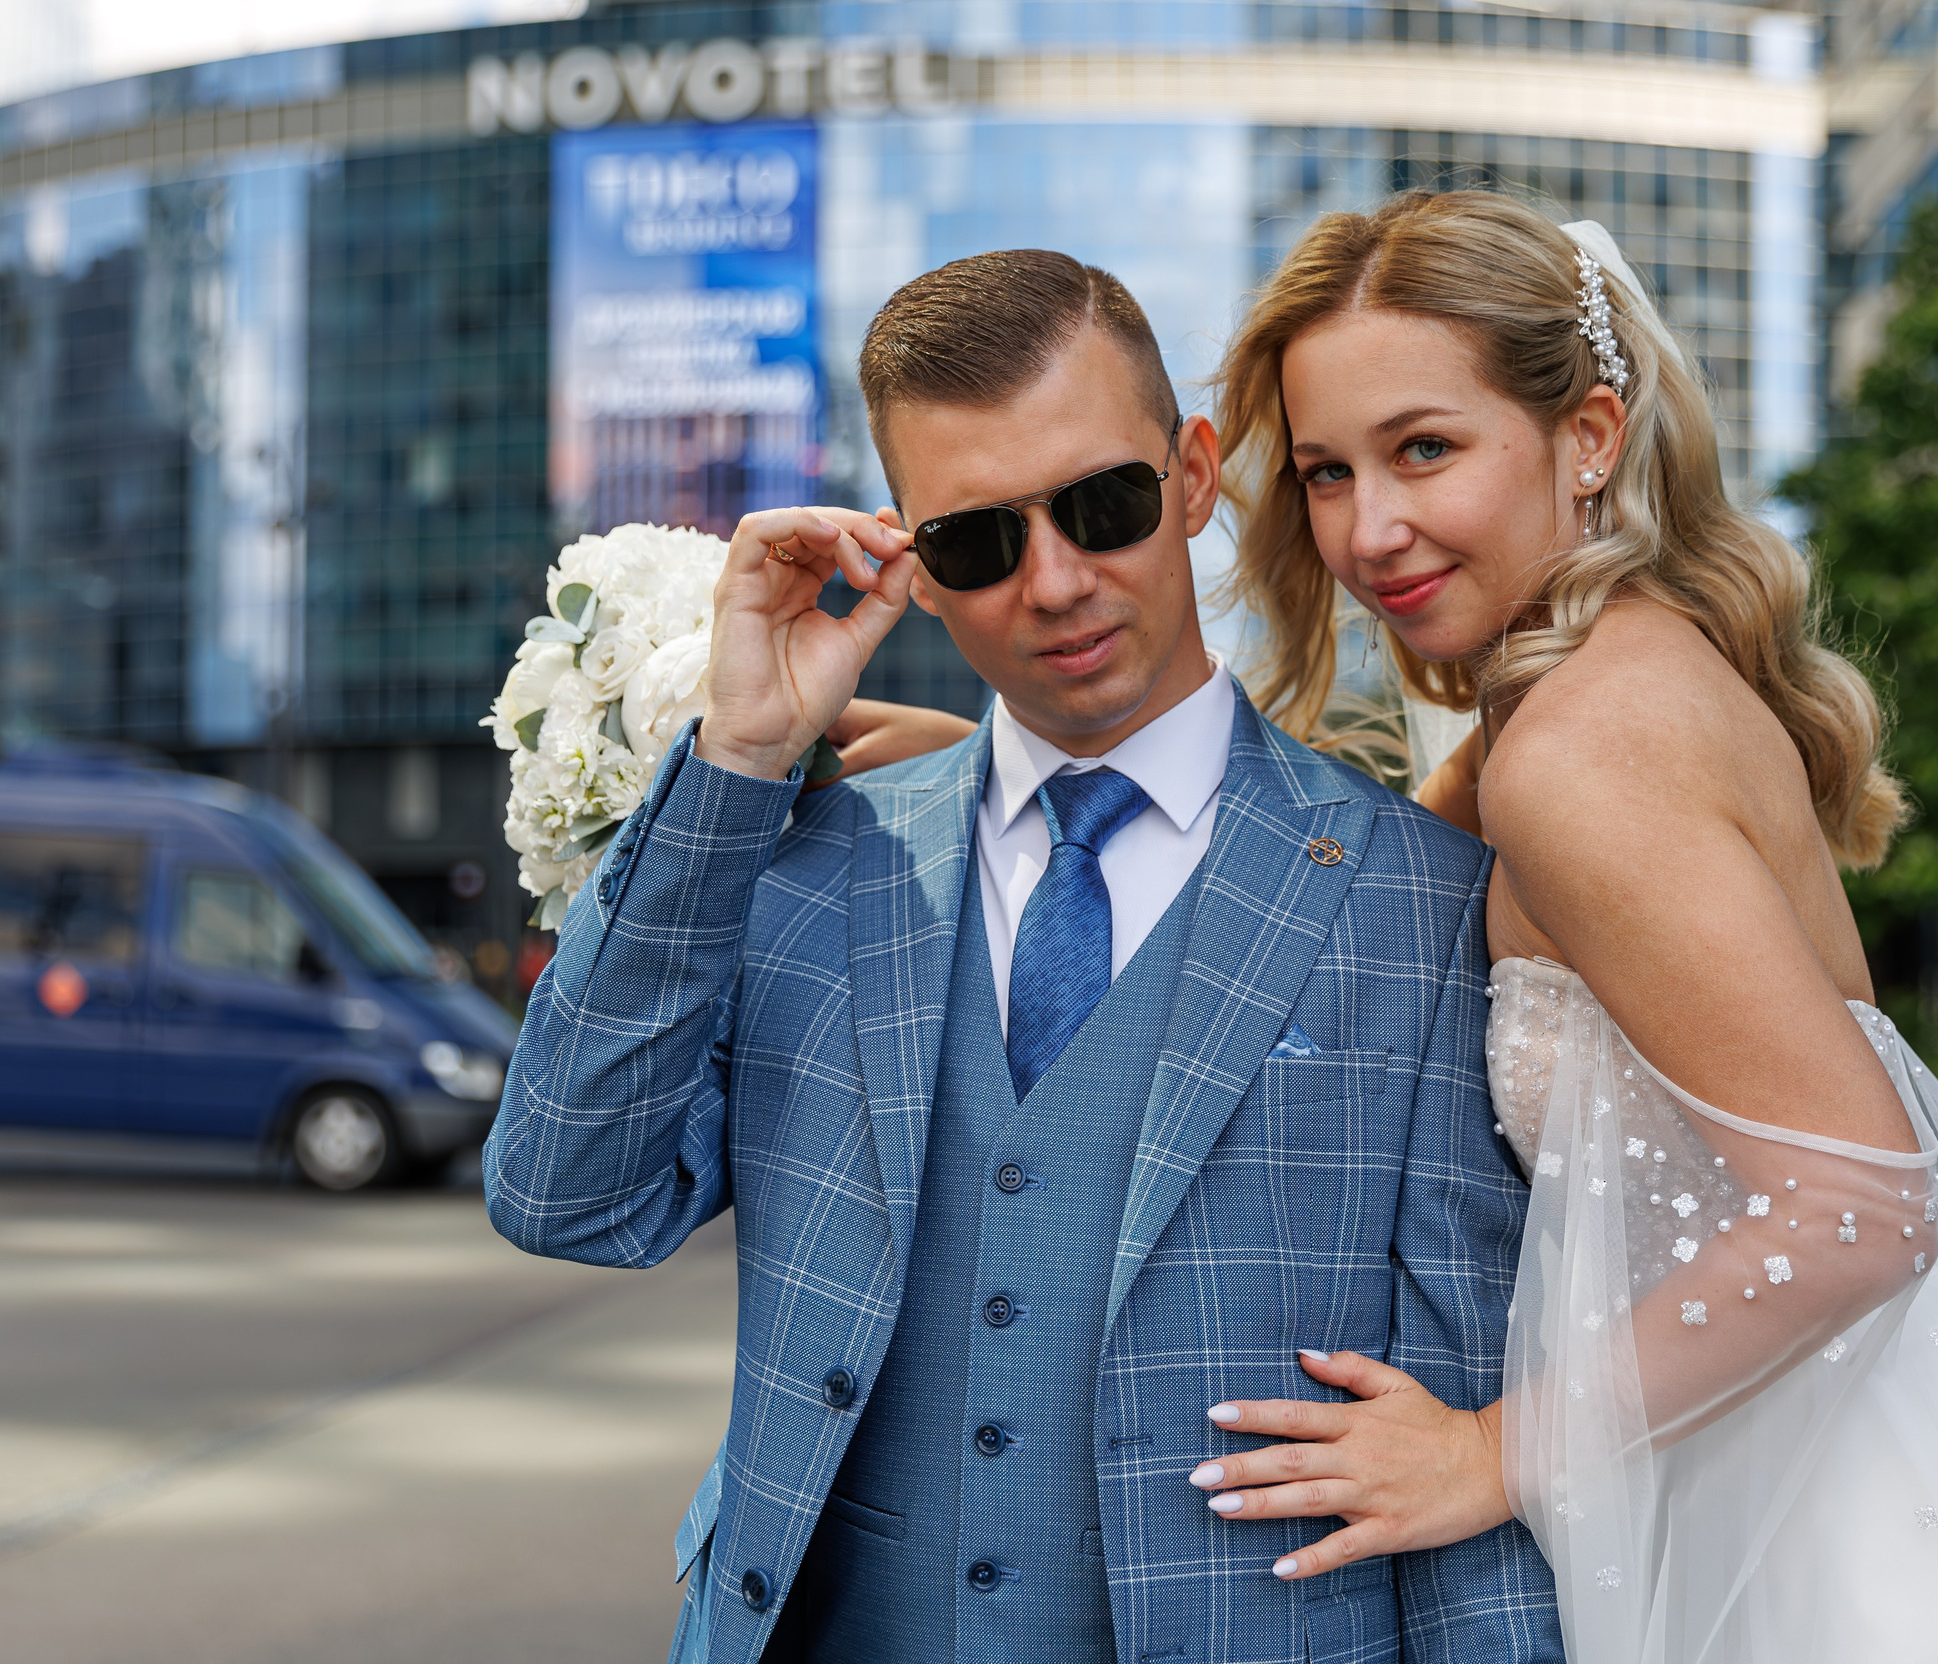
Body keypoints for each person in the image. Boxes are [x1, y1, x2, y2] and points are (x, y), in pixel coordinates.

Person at [1185, 190, 1938, 1663]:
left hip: (1831, 1519)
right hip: (1842, 1445)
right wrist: (1013, 779)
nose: (1368, 530)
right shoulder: (1593, 688)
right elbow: (1342, 882)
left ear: (1588, 437)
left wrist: (1492, 1453)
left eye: (1424, 448)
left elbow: (1861, 1210)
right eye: (1328, 472)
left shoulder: (1578, 749)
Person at [483, 249, 1563, 1664]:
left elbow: (1464, 1446)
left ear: (1192, 477)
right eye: (980, 542)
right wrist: (736, 758)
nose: (1054, 583)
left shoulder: (1423, 903)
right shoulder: (796, 866)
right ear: (914, 571)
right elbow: (565, 1196)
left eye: (1104, 506)